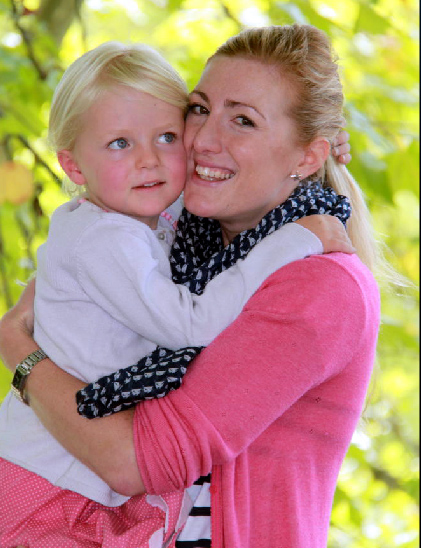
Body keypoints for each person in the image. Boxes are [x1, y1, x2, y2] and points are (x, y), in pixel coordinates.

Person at [0, 24, 376, 548]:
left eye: (243, 120)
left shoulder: (319, 284)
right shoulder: (192, 242)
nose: (201, 139)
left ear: (307, 157)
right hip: (68, 499)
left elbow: (133, 463)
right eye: (199, 109)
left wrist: (20, 351)